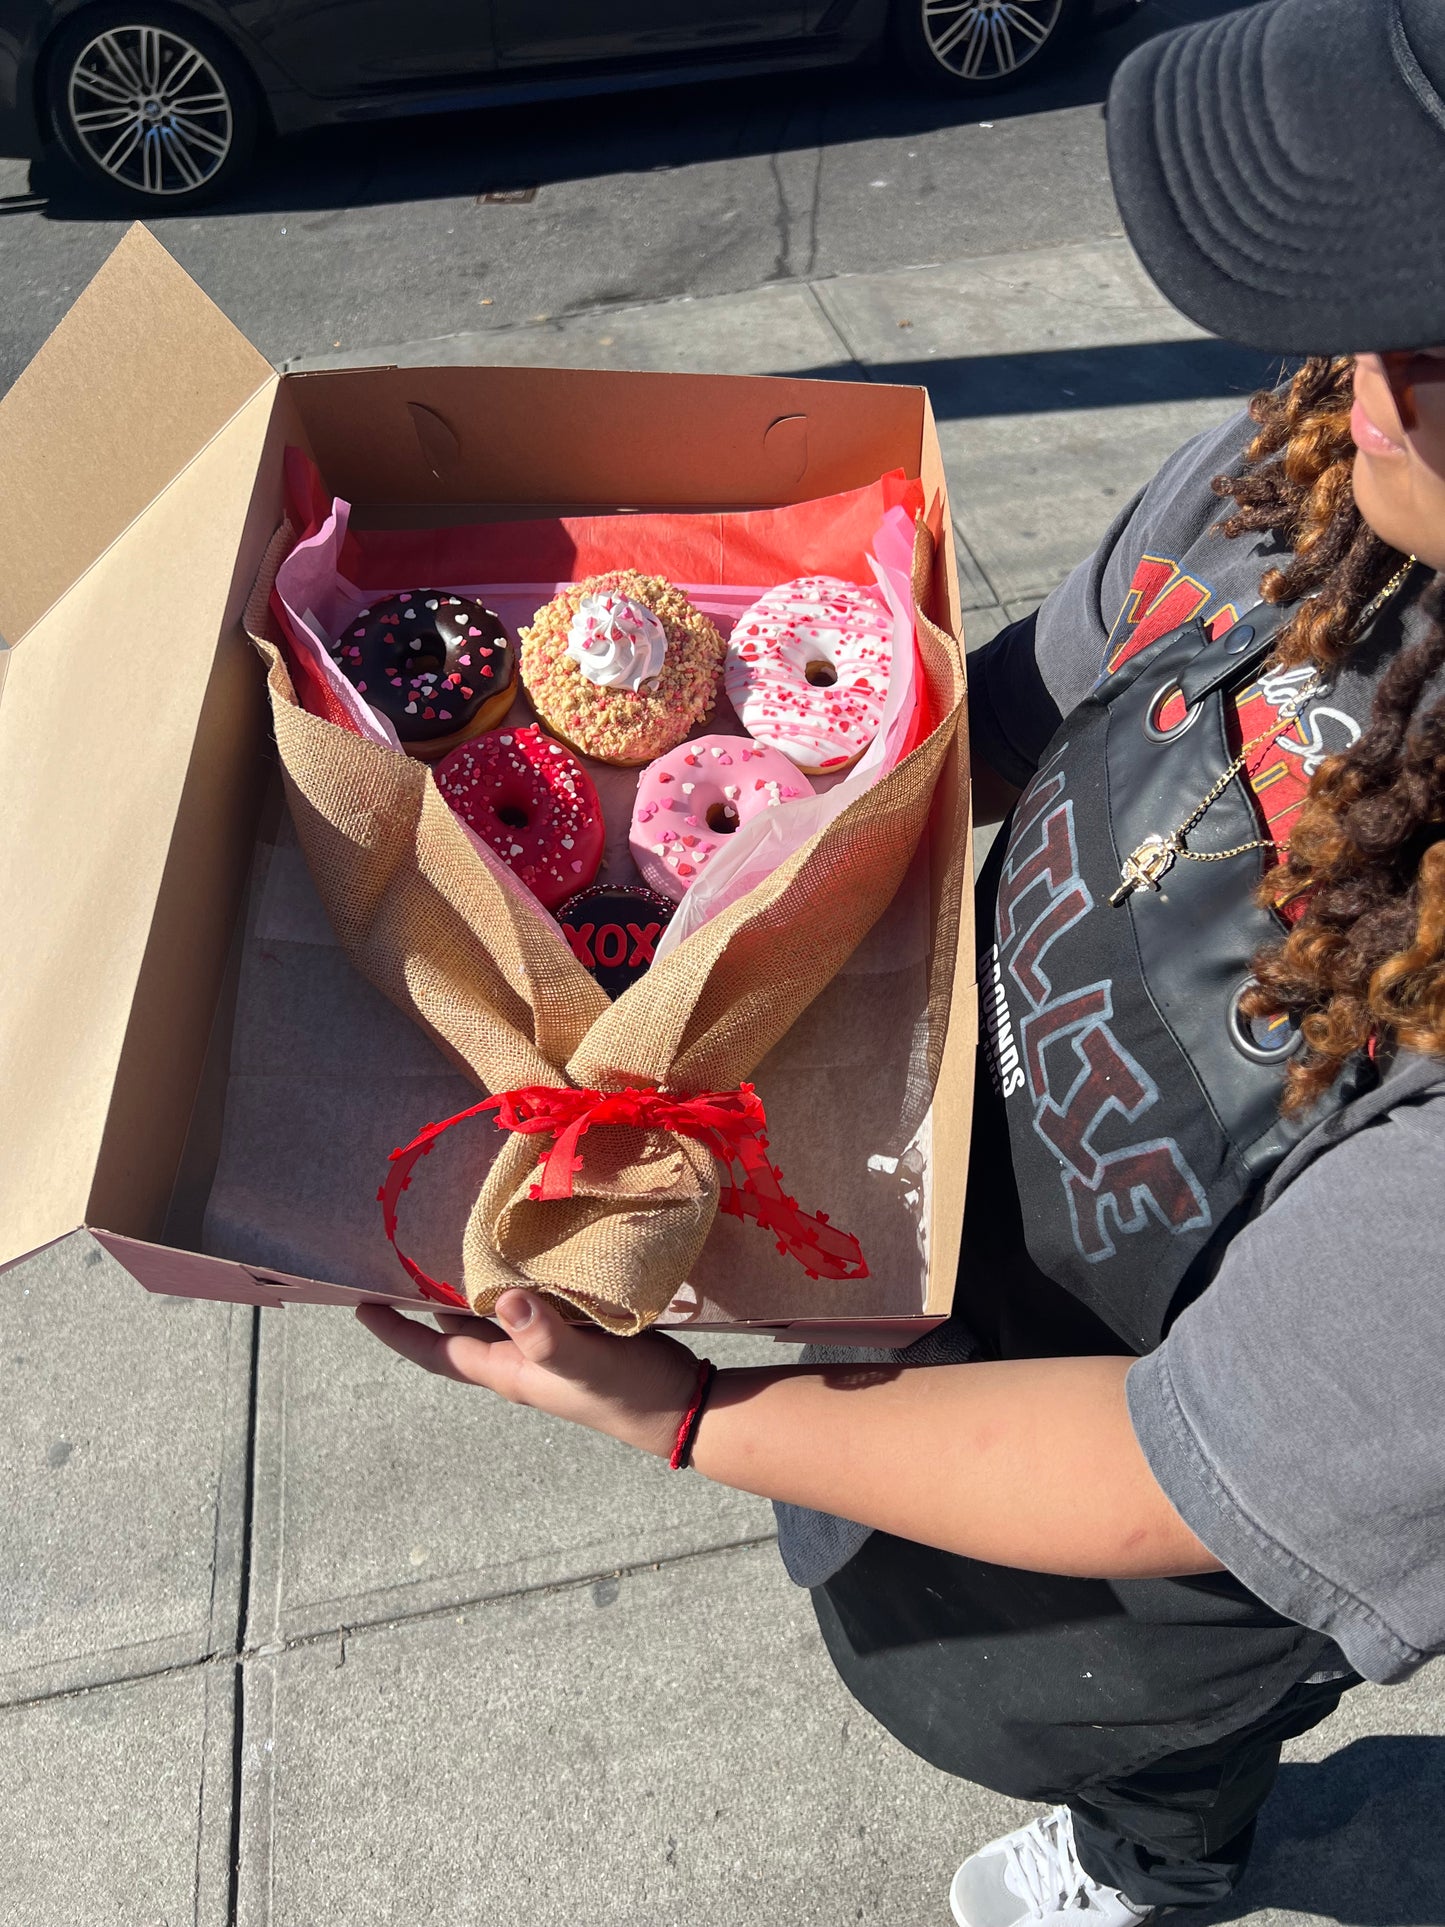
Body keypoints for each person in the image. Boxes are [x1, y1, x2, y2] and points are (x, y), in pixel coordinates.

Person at [358, 1, 1445, 1918]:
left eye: (1428, 339)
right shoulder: (1317, 480)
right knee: (880, 1551)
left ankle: (1158, 1862)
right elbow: (1018, 708)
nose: (1348, 370)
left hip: (1137, 1509)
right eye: (1365, 295)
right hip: (969, 1225)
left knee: (1117, 1711)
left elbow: (1167, 1477)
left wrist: (679, 1408)